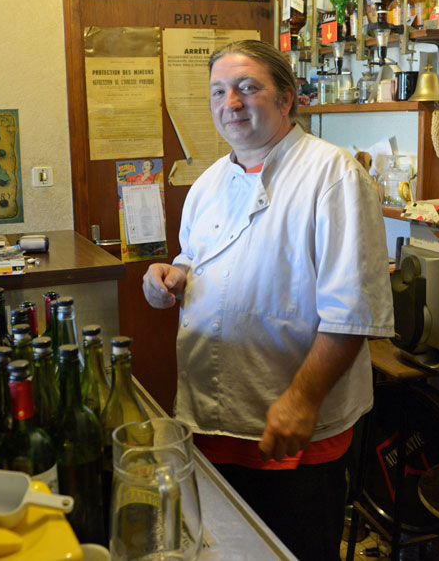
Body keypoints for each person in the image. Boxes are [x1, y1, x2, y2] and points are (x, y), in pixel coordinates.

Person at [142, 40, 393, 560]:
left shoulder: (334, 174)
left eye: (247, 88)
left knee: (294, 549)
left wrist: (302, 399)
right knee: (227, 549)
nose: (229, 103)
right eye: (218, 91)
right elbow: (201, 257)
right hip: (210, 416)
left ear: (287, 99)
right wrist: (171, 276)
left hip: (292, 423)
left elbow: (354, 309)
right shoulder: (208, 184)